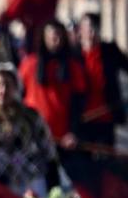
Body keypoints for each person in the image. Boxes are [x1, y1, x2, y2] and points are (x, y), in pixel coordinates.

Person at [0, 63, 62, 198]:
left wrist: (54, 183)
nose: (3, 90)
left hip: (31, 183)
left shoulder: (30, 116)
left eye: (8, 85)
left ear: (15, 88)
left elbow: (48, 150)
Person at [74, 13, 128, 147]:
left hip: (106, 114)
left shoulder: (110, 50)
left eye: (94, 28)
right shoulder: (74, 54)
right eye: (88, 29)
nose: (92, 33)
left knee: (107, 156)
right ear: (80, 31)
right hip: (83, 117)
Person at [19, 20, 88, 148]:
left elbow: (78, 103)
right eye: (51, 36)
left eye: (58, 36)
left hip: (63, 138)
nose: (55, 40)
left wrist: (73, 132)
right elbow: (18, 96)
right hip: (33, 134)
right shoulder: (29, 64)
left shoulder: (73, 67)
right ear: (44, 38)